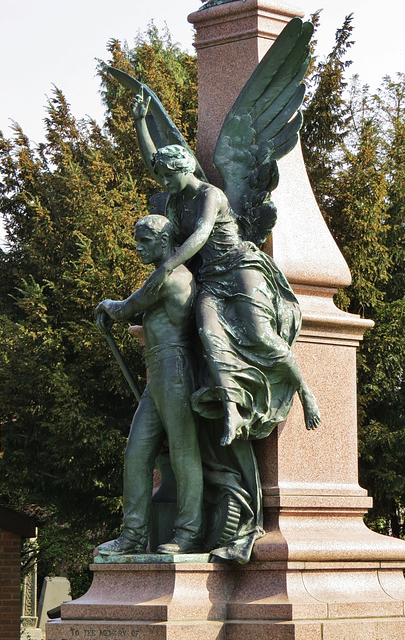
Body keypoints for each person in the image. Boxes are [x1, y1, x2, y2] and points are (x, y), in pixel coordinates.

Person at [131, 93, 321, 449]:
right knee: (208, 332)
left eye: (169, 176)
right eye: (163, 176)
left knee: (261, 335)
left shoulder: (209, 195)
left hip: (239, 267)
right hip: (211, 282)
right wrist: (141, 122)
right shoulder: (175, 199)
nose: (164, 182)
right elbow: (151, 162)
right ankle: (232, 409)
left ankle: (305, 390)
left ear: (184, 169)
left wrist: (167, 268)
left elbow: (201, 235)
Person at [95, 215, 204, 555]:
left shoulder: (171, 278)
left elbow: (129, 307)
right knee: (137, 453)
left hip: (174, 368)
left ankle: (188, 533)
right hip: (156, 371)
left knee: (185, 450)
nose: (138, 247)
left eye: (144, 241)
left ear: (164, 240)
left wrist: (107, 306)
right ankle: (132, 535)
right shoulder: (162, 275)